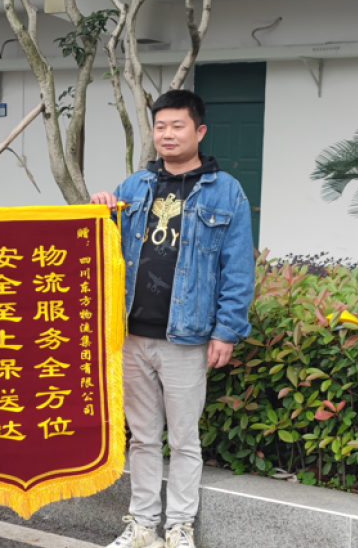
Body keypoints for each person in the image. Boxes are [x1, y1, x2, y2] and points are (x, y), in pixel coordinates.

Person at [91, 90, 254, 548]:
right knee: (142, 439)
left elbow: (238, 267)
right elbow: (103, 252)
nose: (167, 134)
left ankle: (179, 527)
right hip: (130, 335)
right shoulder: (134, 187)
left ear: (199, 131)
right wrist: (101, 211)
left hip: (187, 337)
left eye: (177, 126)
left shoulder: (226, 191)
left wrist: (227, 331)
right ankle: (142, 526)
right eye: (160, 126)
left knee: (184, 439)